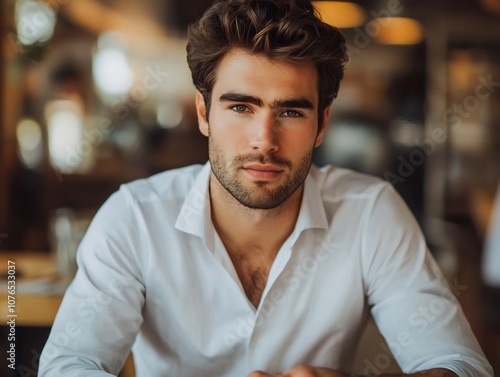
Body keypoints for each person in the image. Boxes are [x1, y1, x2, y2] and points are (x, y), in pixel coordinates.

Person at [39, 0, 493, 376]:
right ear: (203, 112)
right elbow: (69, 366)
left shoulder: (370, 212)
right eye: (240, 107)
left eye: (291, 112)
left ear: (322, 123)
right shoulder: (135, 217)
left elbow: (460, 365)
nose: (264, 140)